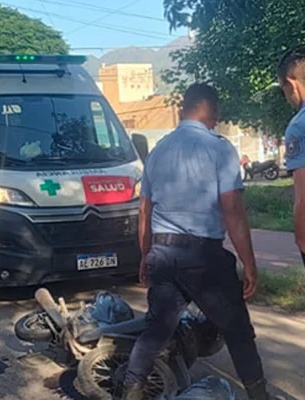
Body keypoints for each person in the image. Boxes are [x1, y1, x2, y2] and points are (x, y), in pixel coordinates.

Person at [123, 83, 271, 400]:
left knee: (156, 332)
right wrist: (249, 263)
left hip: (163, 254)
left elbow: (144, 212)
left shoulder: (158, 150)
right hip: (204, 257)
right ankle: (259, 396)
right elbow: (233, 211)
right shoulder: (219, 149)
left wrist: (145, 256)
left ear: (182, 110)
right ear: (213, 113)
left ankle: (130, 391)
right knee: (238, 332)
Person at [277, 46, 305, 269]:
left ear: (292, 83)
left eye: (283, 90)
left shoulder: (298, 126)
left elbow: (303, 197)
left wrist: (301, 238)